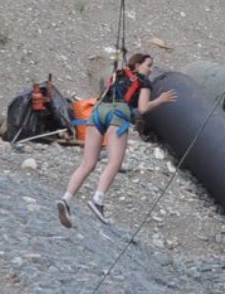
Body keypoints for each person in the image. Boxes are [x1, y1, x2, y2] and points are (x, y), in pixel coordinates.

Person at [56, 52, 177, 227]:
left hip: (97, 113)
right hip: (118, 115)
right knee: (114, 162)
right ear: (137, 65)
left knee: (87, 163)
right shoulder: (144, 82)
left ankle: (66, 199)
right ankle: (97, 200)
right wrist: (160, 100)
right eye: (148, 65)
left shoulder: (118, 75)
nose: (151, 69)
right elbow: (143, 108)